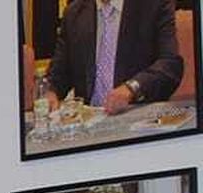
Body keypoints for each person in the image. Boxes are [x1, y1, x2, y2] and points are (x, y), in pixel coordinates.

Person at [45, 0, 184, 114]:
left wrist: (132, 88)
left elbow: (170, 65)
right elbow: (58, 74)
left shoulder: (154, 5)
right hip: (89, 124)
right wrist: (50, 92)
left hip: (136, 116)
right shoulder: (74, 13)